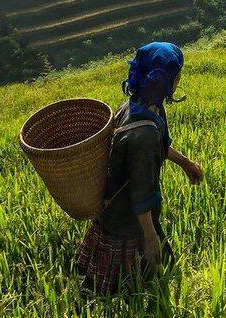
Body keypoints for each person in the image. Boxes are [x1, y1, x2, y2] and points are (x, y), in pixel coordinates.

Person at [75, 41, 203, 293]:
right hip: (129, 218)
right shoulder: (143, 132)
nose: (179, 79)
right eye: (178, 74)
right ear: (168, 81)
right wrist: (150, 235)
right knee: (130, 286)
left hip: (116, 206)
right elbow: (141, 194)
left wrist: (185, 164)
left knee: (123, 282)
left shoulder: (138, 107)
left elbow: (160, 146)